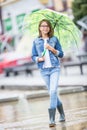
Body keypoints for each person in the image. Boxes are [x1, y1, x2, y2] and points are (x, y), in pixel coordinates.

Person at [31, 19, 65, 127]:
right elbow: (33, 56)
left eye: (47, 26)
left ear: (49, 28)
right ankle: (62, 114)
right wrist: (38, 59)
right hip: (43, 70)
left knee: (53, 90)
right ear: (40, 28)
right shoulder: (36, 41)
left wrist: (52, 49)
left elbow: (61, 54)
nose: (45, 28)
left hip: (55, 68)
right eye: (43, 26)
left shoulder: (54, 39)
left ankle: (51, 119)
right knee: (52, 93)